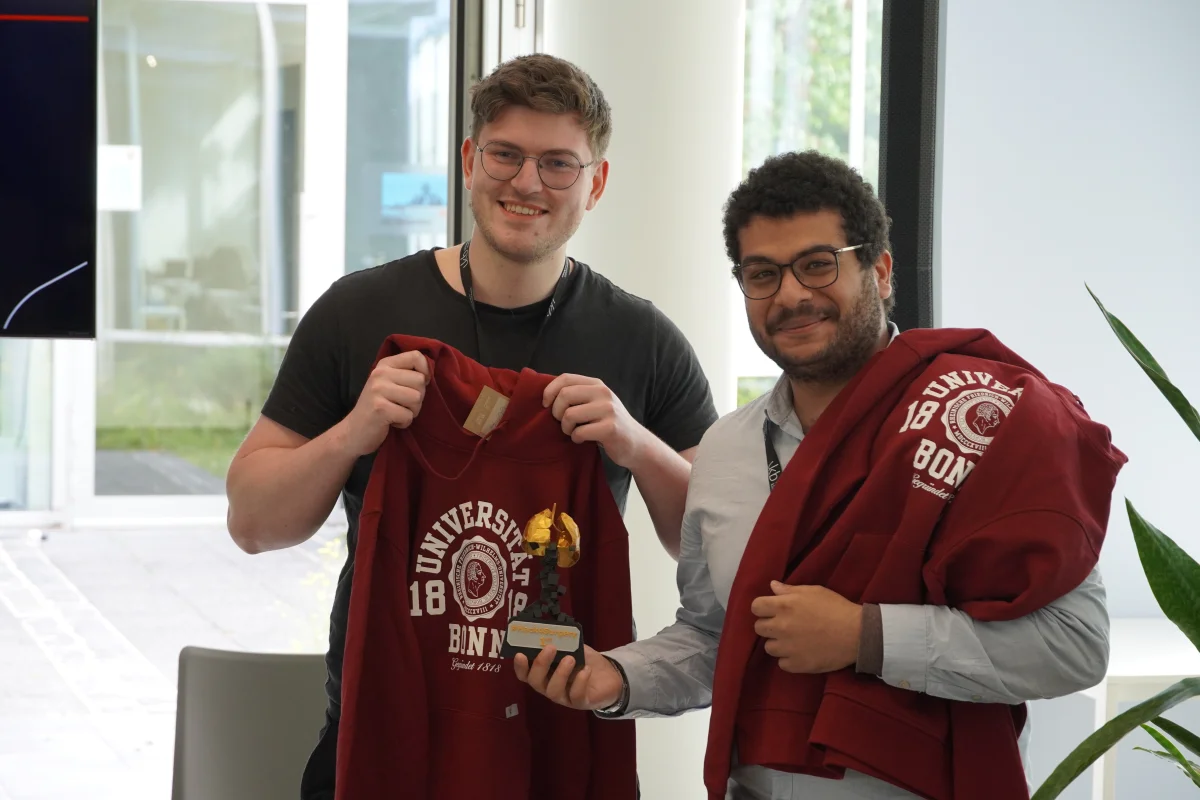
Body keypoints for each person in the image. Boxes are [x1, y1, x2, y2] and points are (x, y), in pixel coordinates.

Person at [516, 150, 1123, 800]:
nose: (791, 296)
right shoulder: (725, 450)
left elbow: (1075, 645)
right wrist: (616, 679)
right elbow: (715, 636)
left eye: (817, 265)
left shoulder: (972, 425)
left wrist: (867, 636)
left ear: (880, 271)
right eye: (763, 274)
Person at [224, 53, 718, 799]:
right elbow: (252, 524)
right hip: (382, 740)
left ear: (596, 183)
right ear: (468, 160)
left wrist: (636, 444)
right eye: (505, 154)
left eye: (558, 164)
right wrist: (352, 434)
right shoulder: (357, 314)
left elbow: (713, 549)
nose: (527, 183)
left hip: (558, 740)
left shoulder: (643, 342)